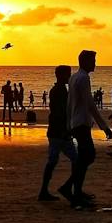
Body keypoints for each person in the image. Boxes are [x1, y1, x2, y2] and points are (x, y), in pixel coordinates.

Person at [63, 50, 112, 209]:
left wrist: (68, 123)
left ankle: (75, 190)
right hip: (82, 123)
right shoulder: (83, 78)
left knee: (85, 157)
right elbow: (90, 104)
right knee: (88, 156)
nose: (95, 63)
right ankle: (72, 191)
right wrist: (104, 126)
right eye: (93, 60)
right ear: (85, 62)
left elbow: (69, 103)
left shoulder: (73, 77)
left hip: (76, 123)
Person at [38, 65, 77, 201]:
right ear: (61, 75)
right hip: (59, 132)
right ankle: (70, 189)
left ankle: (44, 191)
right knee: (76, 161)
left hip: (55, 131)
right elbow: (61, 113)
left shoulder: (57, 90)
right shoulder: (60, 91)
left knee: (52, 161)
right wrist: (67, 130)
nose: (70, 77)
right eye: (68, 74)